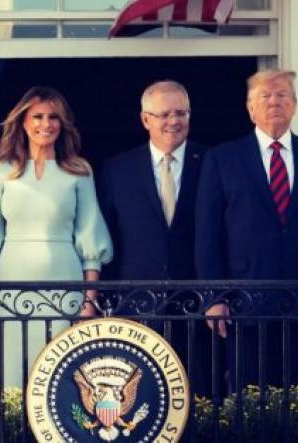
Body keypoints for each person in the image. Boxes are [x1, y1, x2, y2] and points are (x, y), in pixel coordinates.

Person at [195, 69, 298, 392]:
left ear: (295, 105)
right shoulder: (222, 159)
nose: (274, 102)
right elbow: (208, 234)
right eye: (265, 96)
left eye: (282, 95)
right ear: (250, 108)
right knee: (248, 398)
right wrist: (214, 296)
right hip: (245, 303)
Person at [0, 86, 113, 389]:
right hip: (11, 283)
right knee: (12, 375)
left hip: (65, 282)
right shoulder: (0, 172)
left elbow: (90, 236)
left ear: (63, 123)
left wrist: (89, 302)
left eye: (53, 117)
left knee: (63, 376)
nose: (46, 124)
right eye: (37, 116)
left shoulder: (79, 172)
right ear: (23, 121)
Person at [98, 80, 217, 396]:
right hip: (137, 304)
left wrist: (217, 295)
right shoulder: (117, 169)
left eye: (181, 113)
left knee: (199, 395)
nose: (173, 121)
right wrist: (107, 301)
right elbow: (108, 237)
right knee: (140, 394)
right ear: (145, 119)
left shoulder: (213, 161)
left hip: (197, 303)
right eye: (164, 114)